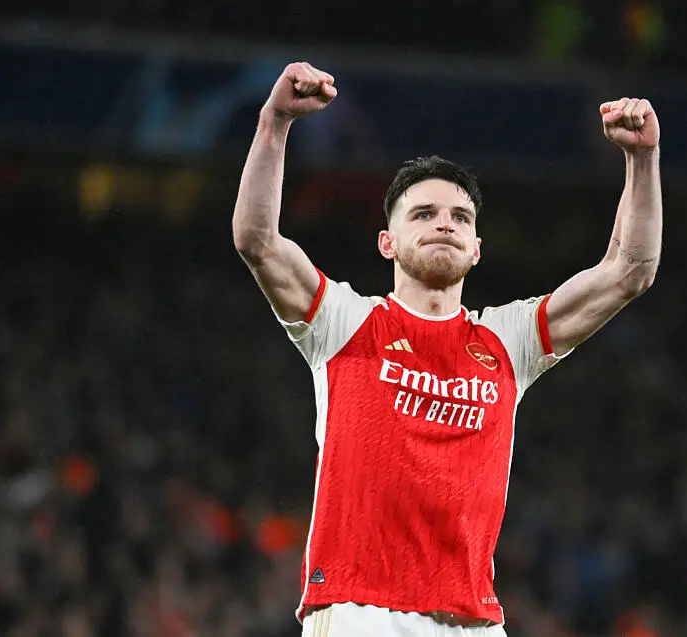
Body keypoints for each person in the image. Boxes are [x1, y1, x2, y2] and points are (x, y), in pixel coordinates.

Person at [232, 62, 662, 637]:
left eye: (460, 217)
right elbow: (257, 240)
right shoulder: (344, 323)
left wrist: (642, 160)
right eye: (424, 214)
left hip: (473, 621)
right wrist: (275, 122)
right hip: (363, 611)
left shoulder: (507, 341)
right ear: (387, 242)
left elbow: (630, 271)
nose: (444, 225)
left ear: (477, 248)